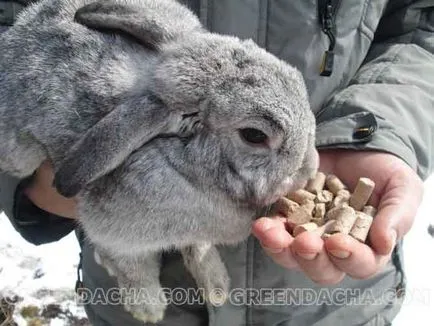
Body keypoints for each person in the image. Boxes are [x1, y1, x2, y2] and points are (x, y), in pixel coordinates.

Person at [0, 0, 433, 325]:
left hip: (330, 312)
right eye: (255, 136)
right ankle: (137, 279)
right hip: (84, 164)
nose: (308, 170)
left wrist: (377, 135)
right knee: (128, 238)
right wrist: (41, 189)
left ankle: (200, 254)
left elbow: (420, 20)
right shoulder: (149, 142)